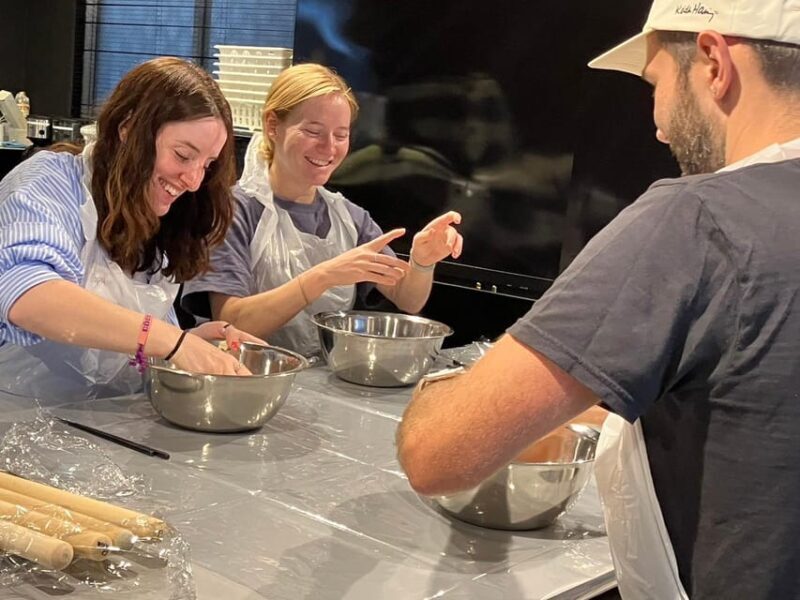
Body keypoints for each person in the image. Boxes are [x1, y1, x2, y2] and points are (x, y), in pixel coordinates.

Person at [397, 1, 800, 598]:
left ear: (714, 62)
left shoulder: (696, 218)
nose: (659, 126)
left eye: (656, 84)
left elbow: (439, 454)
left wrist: (438, 390)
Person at [0, 57, 258, 401]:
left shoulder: (162, 216)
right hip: (17, 417)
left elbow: (135, 342)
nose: (194, 181)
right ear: (128, 129)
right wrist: (168, 339)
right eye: (183, 155)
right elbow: (27, 296)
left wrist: (189, 341)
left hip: (107, 424)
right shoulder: (47, 184)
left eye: (207, 164)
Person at [181, 63, 463, 356]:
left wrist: (422, 262)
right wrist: (324, 276)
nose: (329, 148)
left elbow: (407, 298)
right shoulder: (232, 212)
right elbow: (232, 322)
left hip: (321, 386)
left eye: (340, 135)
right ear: (272, 125)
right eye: (313, 131)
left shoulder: (349, 217)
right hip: (245, 381)